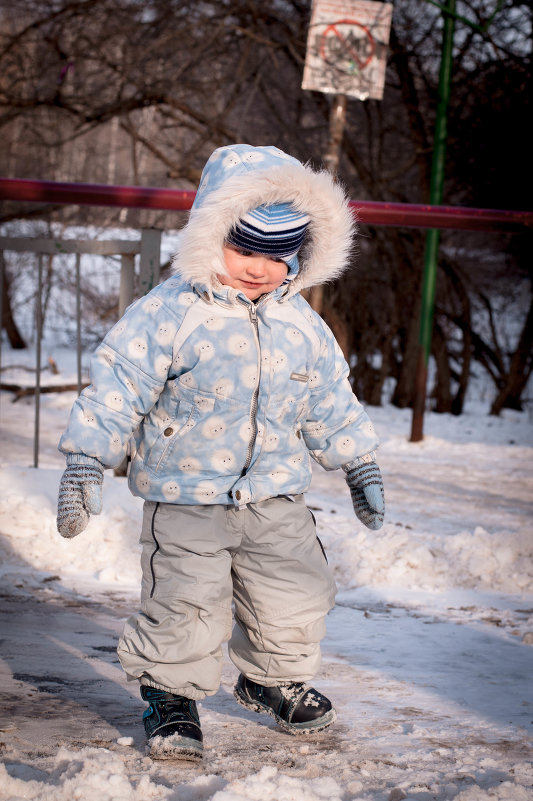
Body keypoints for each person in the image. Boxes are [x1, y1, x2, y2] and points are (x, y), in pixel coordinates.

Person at [56, 144, 385, 760]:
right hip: (186, 495)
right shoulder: (169, 313)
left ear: (302, 255)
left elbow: (330, 400)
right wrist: (86, 459)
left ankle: (268, 677)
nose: (259, 268)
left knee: (296, 591)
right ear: (209, 237)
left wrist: (358, 461)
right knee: (185, 599)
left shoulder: (303, 324)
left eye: (277, 254)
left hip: (276, 492)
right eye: (244, 249)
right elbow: (117, 386)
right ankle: (172, 696)